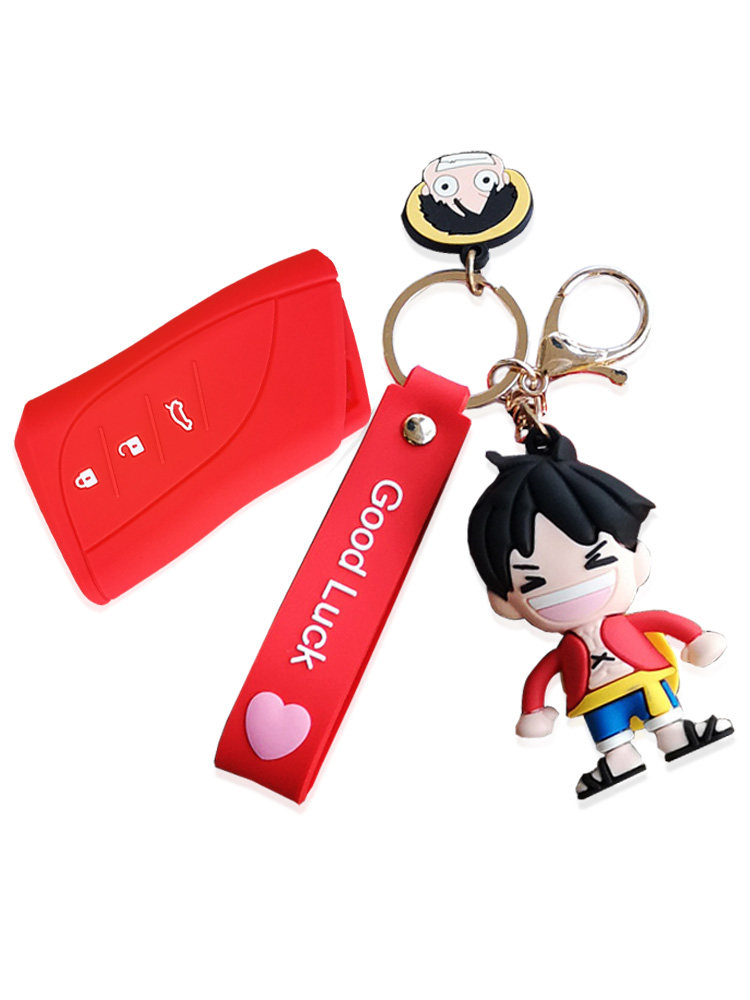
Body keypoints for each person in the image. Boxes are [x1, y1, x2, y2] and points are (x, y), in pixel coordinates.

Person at [467, 426, 733, 799]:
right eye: (532, 582)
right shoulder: (565, 648)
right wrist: (533, 710)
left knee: (660, 708)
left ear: (635, 560)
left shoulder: (625, 622)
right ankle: (619, 759)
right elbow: (540, 676)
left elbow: (661, 621)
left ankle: (675, 735)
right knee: (608, 728)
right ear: (505, 603)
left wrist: (696, 639)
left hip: (643, 679)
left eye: (599, 560)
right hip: (595, 698)